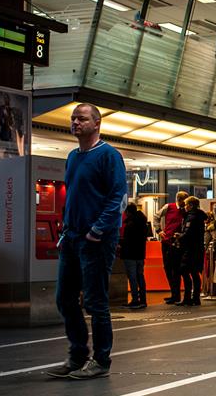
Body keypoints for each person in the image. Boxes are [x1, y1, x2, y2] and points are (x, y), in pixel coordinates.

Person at [46, 103, 127, 380]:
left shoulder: (109, 156)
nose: (75, 122)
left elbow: (116, 197)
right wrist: (66, 231)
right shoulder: (72, 156)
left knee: (95, 301)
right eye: (73, 118)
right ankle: (78, 355)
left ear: (97, 123)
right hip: (72, 237)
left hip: (96, 239)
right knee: (65, 299)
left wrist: (97, 230)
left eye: (81, 119)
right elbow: (74, 198)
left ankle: (101, 360)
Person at [155, 190, 188, 304]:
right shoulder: (168, 207)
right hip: (167, 241)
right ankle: (174, 293)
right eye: (184, 202)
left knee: (177, 269)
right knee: (168, 268)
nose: (185, 204)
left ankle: (176, 294)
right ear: (179, 200)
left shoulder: (186, 211)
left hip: (178, 243)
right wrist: (159, 230)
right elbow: (156, 216)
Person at [175, 196, 206, 306]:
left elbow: (188, 233)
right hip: (198, 248)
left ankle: (188, 297)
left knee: (184, 270)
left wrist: (179, 236)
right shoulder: (200, 216)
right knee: (194, 273)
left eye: (186, 205)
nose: (185, 207)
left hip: (190, 249)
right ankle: (195, 297)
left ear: (191, 205)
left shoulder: (191, 217)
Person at [120, 203, 148, 309]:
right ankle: (143, 300)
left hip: (130, 254)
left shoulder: (130, 224)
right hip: (140, 254)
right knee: (140, 276)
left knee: (132, 278)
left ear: (128, 212)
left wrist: (119, 243)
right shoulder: (143, 222)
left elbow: (127, 241)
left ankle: (135, 299)